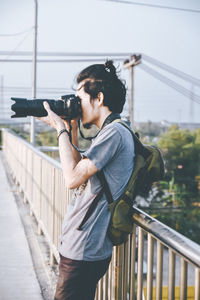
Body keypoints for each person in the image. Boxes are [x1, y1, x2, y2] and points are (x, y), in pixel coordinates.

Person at [40, 60, 135, 300]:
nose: (76, 105)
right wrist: (70, 127)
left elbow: (71, 178)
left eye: (79, 99)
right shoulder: (110, 131)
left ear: (99, 98)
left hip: (83, 249)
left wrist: (60, 128)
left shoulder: (114, 133)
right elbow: (78, 166)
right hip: (82, 246)